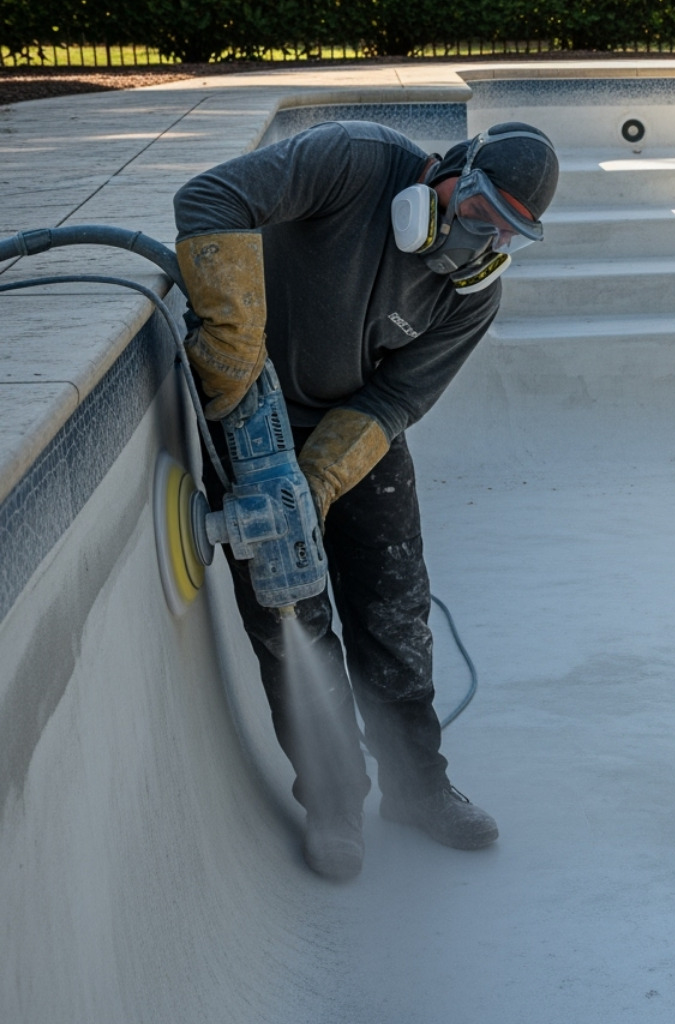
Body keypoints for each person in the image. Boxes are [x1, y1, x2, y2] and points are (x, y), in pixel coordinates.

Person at [173, 119, 559, 880]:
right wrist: (236, 338)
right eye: (477, 209)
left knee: (396, 612)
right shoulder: (353, 163)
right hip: (249, 414)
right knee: (291, 618)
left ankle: (418, 789)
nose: (480, 238)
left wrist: (317, 482)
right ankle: (333, 801)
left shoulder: (470, 298)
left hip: (355, 430)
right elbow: (210, 197)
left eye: (505, 232)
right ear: (448, 171)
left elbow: (394, 400)